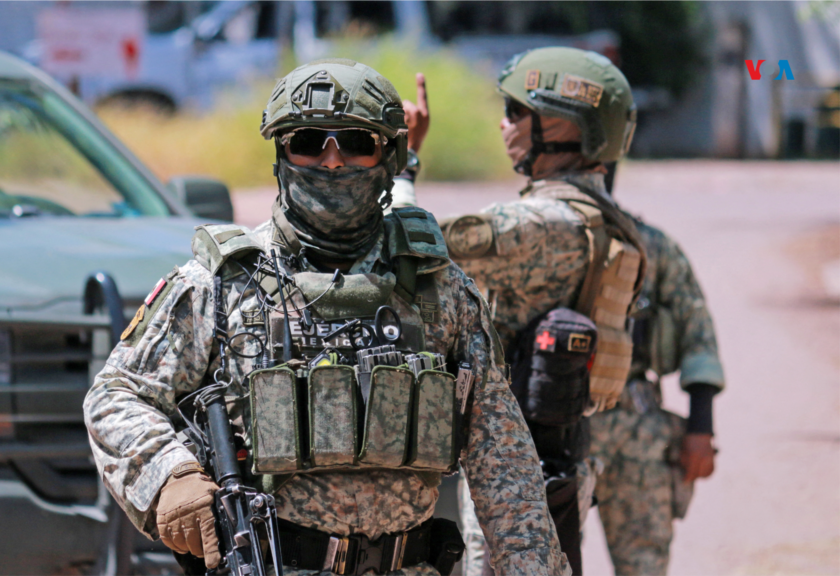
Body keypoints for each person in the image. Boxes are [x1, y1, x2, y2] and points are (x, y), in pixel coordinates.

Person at [83, 59, 570, 576]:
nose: (332, 162)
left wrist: (530, 564)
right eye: (310, 141)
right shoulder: (223, 283)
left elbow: (503, 455)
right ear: (281, 155)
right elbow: (116, 394)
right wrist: (170, 475)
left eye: (357, 142)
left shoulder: (440, 289)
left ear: (390, 157)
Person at [395, 47, 648, 576]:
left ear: (562, 125)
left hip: (512, 468)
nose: (504, 124)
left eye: (516, 112)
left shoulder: (537, 225)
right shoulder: (614, 224)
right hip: (568, 454)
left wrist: (403, 160)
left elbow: (403, 249)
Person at [589, 161, 723, 576]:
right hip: (550, 424)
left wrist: (701, 426)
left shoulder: (649, 245)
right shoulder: (530, 236)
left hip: (633, 422)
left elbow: (696, 331)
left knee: (644, 563)